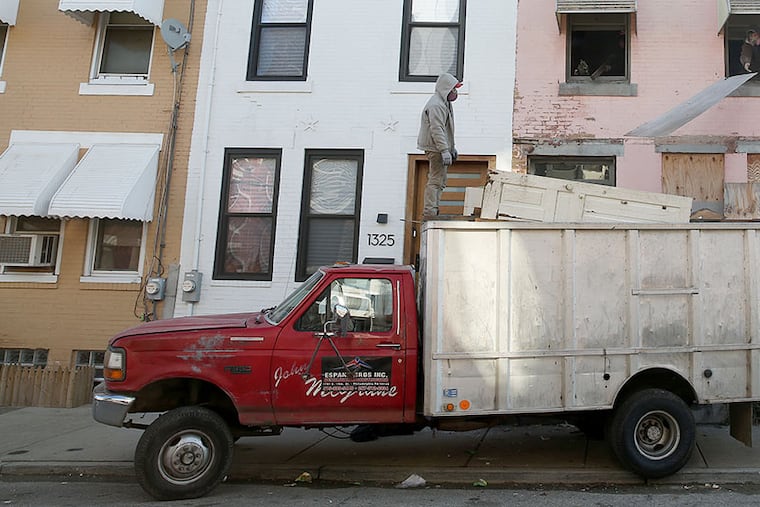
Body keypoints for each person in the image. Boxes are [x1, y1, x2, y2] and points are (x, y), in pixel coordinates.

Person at [417, 73, 462, 217]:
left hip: (439, 147)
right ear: (446, 89)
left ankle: (433, 209)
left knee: (441, 180)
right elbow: (437, 129)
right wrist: (444, 150)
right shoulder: (436, 105)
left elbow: (447, 129)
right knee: (436, 179)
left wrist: (451, 147)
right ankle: (430, 211)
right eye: (453, 89)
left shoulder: (444, 103)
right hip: (435, 148)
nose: (455, 92)